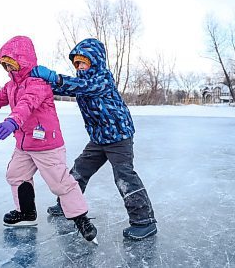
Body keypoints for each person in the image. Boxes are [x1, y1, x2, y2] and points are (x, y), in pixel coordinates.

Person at [0, 35, 97, 243]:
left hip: (46, 144)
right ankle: (26, 213)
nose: (9, 70)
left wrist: (12, 121)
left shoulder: (38, 83)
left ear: (24, 61)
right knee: (15, 174)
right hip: (25, 144)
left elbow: (27, 104)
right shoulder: (11, 86)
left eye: (12, 65)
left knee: (60, 184)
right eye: (5, 66)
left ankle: (81, 219)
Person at [31, 38, 157, 240]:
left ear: (95, 62)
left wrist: (55, 77)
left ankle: (145, 221)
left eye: (83, 62)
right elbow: (66, 87)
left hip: (119, 137)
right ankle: (66, 205)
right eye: (77, 64)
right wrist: (38, 82)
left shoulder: (102, 79)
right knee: (79, 170)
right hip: (99, 138)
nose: (79, 67)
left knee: (124, 176)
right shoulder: (80, 82)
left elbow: (82, 86)